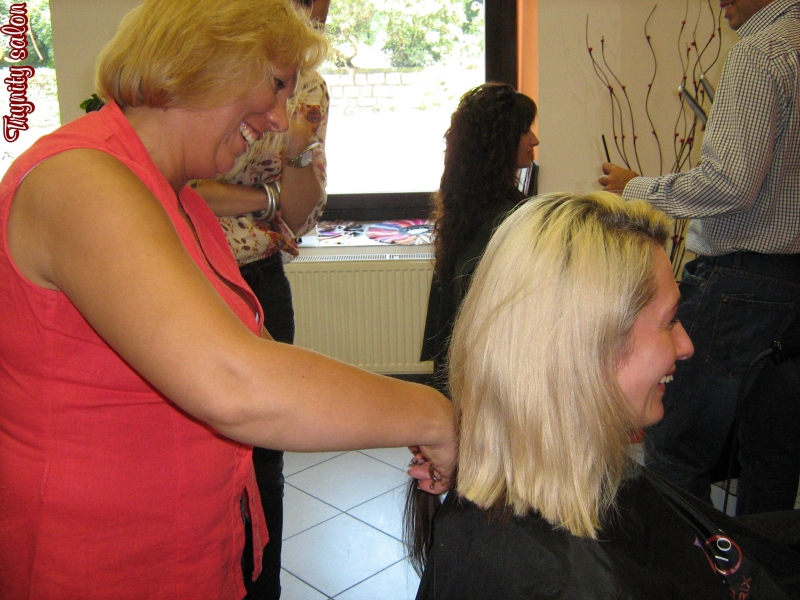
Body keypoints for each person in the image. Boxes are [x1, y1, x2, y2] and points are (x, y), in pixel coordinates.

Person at [0, 1, 453, 598]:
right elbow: (234, 383)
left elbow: (266, 364)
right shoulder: (79, 179)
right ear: (205, 59)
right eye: (276, 85)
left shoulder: (178, 199)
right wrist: (435, 416)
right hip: (94, 563)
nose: (279, 118)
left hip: (188, 549)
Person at [407, 192, 800, 599]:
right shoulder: (546, 578)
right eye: (670, 321)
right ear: (588, 349)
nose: (686, 346)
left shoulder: (566, 508)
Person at [599, 0, 800, 514]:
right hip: (792, 284)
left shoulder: (762, 52)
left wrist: (635, 187)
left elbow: (729, 183)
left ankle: (688, 561)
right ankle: (760, 562)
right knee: (774, 452)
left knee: (676, 445)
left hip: (741, 280)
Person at [192, 2, 330, 597]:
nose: (314, 15)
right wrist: (262, 199)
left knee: (266, 456)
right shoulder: (209, 66)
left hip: (260, 273)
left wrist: (294, 158)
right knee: (203, 449)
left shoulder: (310, 90)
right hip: (192, 269)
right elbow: (183, 189)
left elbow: (300, 213)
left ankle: (261, 585)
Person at [420, 82, 538, 393]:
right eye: (524, 131)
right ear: (501, 142)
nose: (534, 140)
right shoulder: (506, 218)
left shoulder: (466, 203)